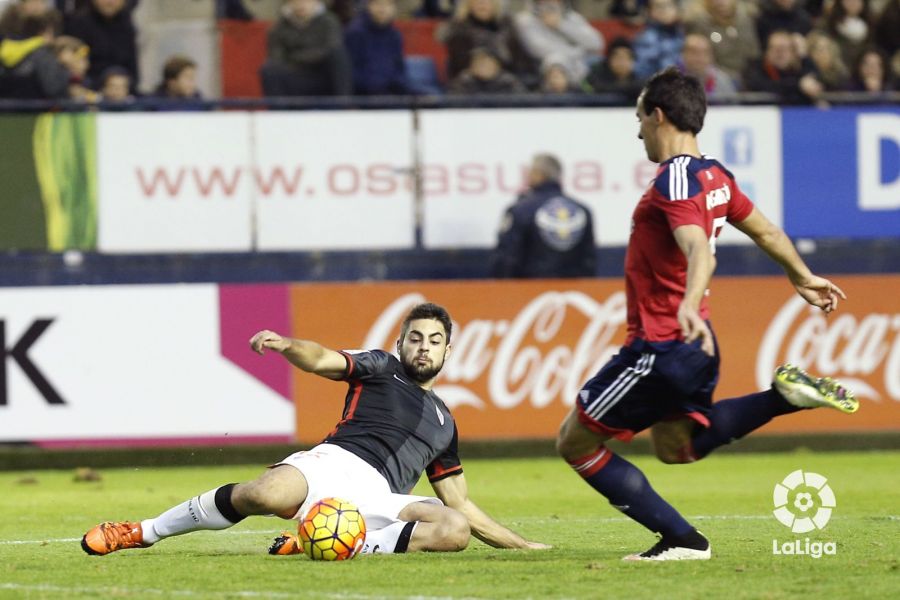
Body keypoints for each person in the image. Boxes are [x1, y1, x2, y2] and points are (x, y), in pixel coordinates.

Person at [555, 67, 859, 562]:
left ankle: (683, 540)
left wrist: (688, 302)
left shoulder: (675, 176)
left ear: (658, 115)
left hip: (661, 344)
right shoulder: (715, 176)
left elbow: (699, 249)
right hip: (698, 347)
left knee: (574, 441)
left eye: (639, 118)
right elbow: (766, 232)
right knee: (676, 447)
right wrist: (802, 276)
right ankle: (784, 398)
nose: (637, 131)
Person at [82, 303, 550, 557]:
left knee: (452, 529)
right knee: (263, 495)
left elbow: (459, 502)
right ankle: (142, 531)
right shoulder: (382, 368)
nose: (423, 347)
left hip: (382, 499)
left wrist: (522, 544)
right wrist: (288, 346)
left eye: (434, 340)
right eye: (415, 337)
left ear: (448, 352)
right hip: (336, 464)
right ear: (400, 342)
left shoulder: (446, 422)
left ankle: (322, 538)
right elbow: (324, 357)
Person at [491, 153, 596, 278]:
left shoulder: (520, 210)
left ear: (538, 174)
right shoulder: (582, 211)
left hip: (528, 291)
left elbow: (507, 258)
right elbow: (589, 260)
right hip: (573, 291)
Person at [259, 0, 352, 97]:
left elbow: (332, 49)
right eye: (296, 1)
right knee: (269, 69)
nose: (301, 4)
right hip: (295, 77)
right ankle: (279, 112)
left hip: (323, 75)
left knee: (338, 56)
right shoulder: (278, 28)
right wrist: (315, 55)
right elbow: (277, 58)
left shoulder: (330, 22)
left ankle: (343, 107)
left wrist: (294, 57)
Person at [343, 0, 409, 95]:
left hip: (391, 92)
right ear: (369, 6)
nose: (382, 9)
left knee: (429, 99)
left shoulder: (395, 35)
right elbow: (349, 72)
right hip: (363, 96)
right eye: (378, 4)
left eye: (387, 5)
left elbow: (399, 69)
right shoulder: (355, 33)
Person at [632, 0, 685, 78]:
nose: (663, 10)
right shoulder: (644, 39)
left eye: (668, 5)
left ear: (676, 9)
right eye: (658, 6)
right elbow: (641, 72)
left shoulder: (683, 35)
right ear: (649, 11)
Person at [678, 31, 738, 100]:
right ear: (683, 54)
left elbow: (733, 107)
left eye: (705, 53)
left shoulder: (722, 81)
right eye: (693, 52)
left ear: (711, 56)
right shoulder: (670, 80)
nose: (699, 57)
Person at [585, 36, 643, 103]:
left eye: (626, 58)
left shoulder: (639, 81)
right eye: (618, 58)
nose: (622, 62)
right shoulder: (596, 79)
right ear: (609, 60)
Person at [447, 44, 525, 94]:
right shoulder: (463, 82)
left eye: (488, 63)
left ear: (497, 65)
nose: (484, 67)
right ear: (471, 66)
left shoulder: (508, 82)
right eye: (480, 63)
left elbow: (520, 103)